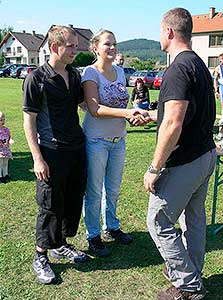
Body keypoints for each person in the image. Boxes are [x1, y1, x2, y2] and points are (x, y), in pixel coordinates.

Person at [144, 8, 216, 300]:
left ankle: (188, 285)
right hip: (205, 154)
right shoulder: (197, 64)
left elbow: (173, 124)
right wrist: (154, 116)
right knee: (194, 219)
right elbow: (183, 113)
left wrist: (154, 167)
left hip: (185, 161)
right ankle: (191, 271)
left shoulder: (176, 68)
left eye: (161, 31)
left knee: (158, 221)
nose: (160, 36)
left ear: (170, 32)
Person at [23, 25, 88, 284]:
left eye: (76, 45)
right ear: (54, 47)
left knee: (72, 201)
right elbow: (29, 121)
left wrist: (123, 112)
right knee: (49, 206)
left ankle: (60, 244)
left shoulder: (74, 76)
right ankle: (41, 255)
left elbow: (85, 106)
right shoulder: (36, 78)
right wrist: (37, 158)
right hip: (51, 151)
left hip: (76, 149)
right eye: (71, 46)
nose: (76, 49)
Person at [81, 29, 147, 257]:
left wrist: (133, 116)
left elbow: (121, 104)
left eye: (114, 44)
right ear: (95, 47)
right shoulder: (90, 73)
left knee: (114, 189)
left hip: (119, 140)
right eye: (107, 44)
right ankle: (93, 235)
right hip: (96, 141)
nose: (112, 48)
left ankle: (112, 226)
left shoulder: (120, 72)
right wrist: (127, 113)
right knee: (94, 191)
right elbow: (94, 109)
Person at [214, 53, 223, 140]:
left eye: (222, 59)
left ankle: (221, 132)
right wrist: (216, 91)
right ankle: (220, 132)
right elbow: (216, 79)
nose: (221, 61)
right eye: (220, 59)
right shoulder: (218, 68)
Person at [0, 111, 13, 183]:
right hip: (0, 150)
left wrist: (10, 140)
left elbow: (9, 136)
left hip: (6, 149)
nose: (2, 121)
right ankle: (0, 176)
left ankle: (5, 174)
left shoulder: (6, 129)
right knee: (0, 163)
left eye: (3, 119)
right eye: (0, 120)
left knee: (5, 162)